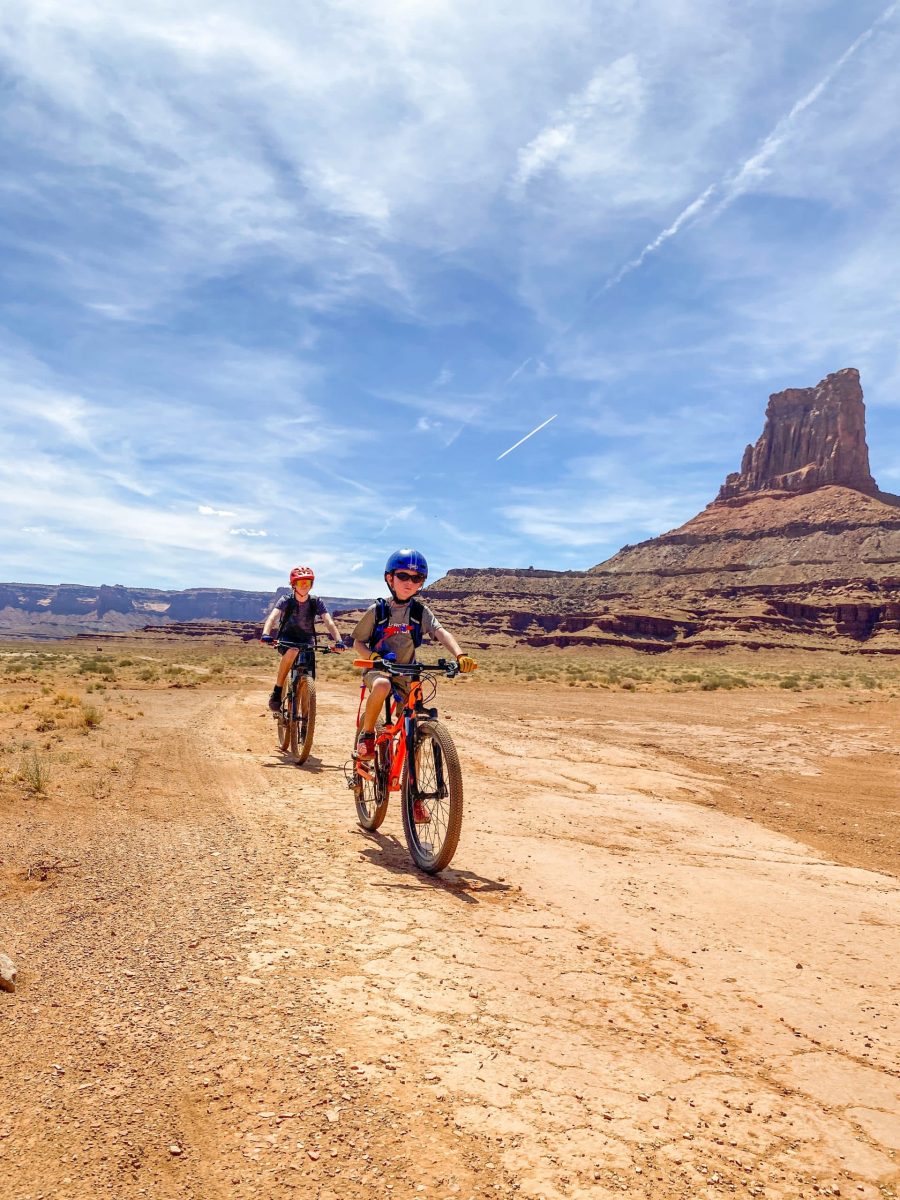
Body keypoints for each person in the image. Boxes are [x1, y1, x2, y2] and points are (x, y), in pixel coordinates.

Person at [351, 548, 477, 761]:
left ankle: (412, 788)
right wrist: (372, 658)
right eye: (403, 576)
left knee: (412, 730)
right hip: (379, 670)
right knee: (382, 685)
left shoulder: (420, 612)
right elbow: (357, 642)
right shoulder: (377, 611)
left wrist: (460, 655)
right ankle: (368, 735)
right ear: (390, 578)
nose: (409, 582)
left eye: (416, 578)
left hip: (407, 673)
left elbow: (441, 632)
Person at [261, 566, 345, 711]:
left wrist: (339, 640)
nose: (305, 586)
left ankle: (306, 719)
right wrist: (266, 633)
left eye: (308, 582)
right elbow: (273, 616)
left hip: (306, 640)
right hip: (287, 637)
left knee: (309, 675)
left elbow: (328, 621)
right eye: (301, 583)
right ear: (294, 584)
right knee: (293, 651)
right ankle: (277, 690)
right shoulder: (286, 600)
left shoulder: (315, 601)